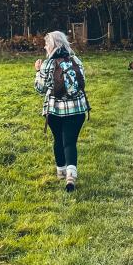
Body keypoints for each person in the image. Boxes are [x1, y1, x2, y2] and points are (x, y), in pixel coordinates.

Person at [34, 31, 89, 191]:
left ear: (51, 45)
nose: (44, 46)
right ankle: (71, 175)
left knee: (58, 140)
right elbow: (83, 82)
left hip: (55, 111)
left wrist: (38, 71)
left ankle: (61, 172)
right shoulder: (76, 60)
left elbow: (40, 88)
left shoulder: (47, 64)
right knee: (70, 142)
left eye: (46, 44)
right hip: (77, 109)